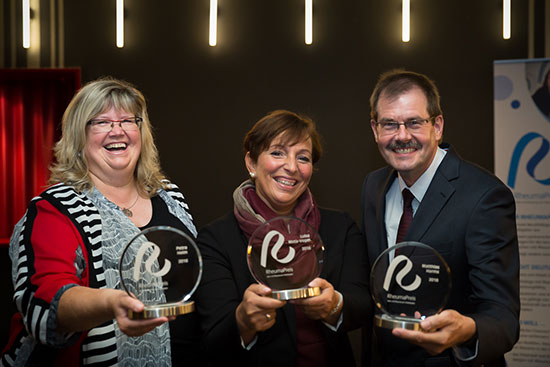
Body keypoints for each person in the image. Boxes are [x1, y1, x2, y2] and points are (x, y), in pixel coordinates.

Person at [1, 78, 203, 366]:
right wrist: (110, 302)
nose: (117, 130)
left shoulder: (170, 196)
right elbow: (45, 303)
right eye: (101, 122)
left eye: (127, 120)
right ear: (78, 136)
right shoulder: (55, 209)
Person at [361, 69, 520, 366]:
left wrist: (465, 331)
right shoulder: (373, 187)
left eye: (414, 123)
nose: (402, 136)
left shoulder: (485, 197)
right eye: (390, 124)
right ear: (375, 129)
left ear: (437, 126)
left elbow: (503, 318)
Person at [195, 110, 371, 366]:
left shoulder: (340, 227)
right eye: (277, 152)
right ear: (251, 163)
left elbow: (363, 305)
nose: (291, 167)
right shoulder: (216, 239)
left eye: (303, 157)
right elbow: (212, 339)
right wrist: (243, 322)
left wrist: (334, 305)